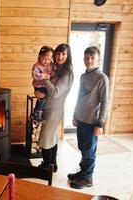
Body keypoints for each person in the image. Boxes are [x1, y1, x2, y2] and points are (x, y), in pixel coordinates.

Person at [68, 46, 109, 189]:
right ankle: (83, 171)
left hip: (92, 121)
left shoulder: (102, 78)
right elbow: (79, 97)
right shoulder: (83, 76)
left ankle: (88, 177)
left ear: (98, 59)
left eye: (92, 58)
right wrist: (75, 114)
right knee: (82, 148)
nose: (89, 60)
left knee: (90, 150)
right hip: (81, 119)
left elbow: (105, 101)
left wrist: (100, 124)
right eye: (86, 57)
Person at [37, 44, 74, 172]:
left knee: (45, 139)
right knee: (51, 137)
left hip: (54, 110)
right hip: (49, 108)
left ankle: (46, 167)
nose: (60, 56)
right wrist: (39, 92)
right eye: (58, 53)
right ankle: (53, 165)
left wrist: (45, 80)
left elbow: (56, 92)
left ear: (68, 56)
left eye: (63, 54)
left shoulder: (67, 73)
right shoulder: (55, 69)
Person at [32, 46, 55, 121]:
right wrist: (44, 76)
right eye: (45, 59)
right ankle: (37, 114)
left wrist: (52, 75)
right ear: (39, 57)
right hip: (39, 86)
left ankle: (40, 112)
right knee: (41, 98)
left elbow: (52, 72)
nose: (47, 61)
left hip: (46, 86)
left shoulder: (50, 64)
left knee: (46, 99)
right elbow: (34, 75)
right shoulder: (37, 66)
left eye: (49, 59)